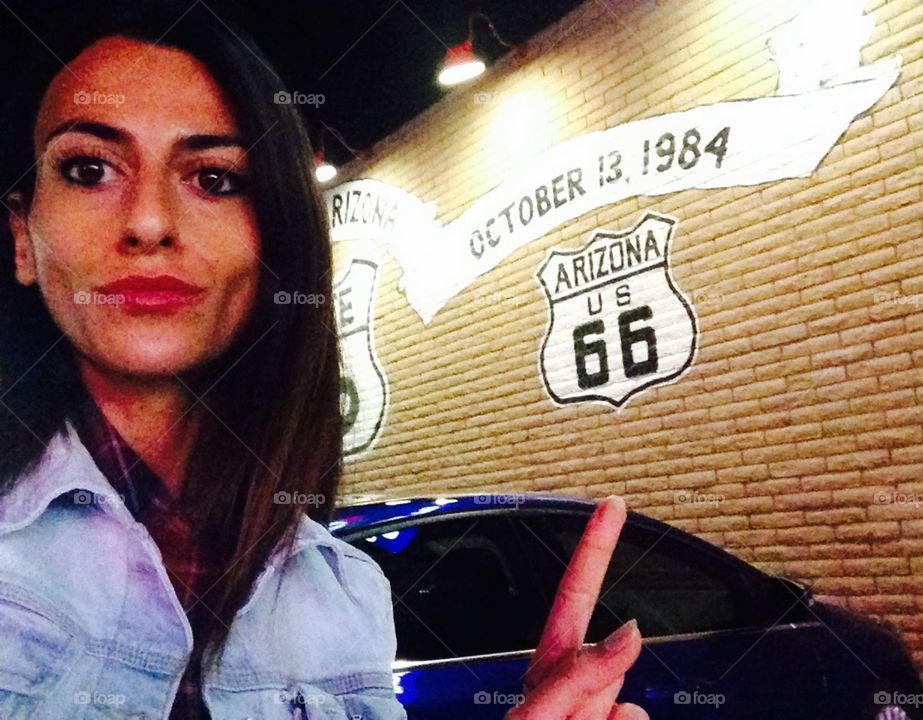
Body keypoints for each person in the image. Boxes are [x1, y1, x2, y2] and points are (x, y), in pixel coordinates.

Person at [0, 2, 647, 718]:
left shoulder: (345, 594)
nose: (149, 222)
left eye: (214, 179)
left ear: (274, 242)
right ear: (23, 238)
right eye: (90, 169)